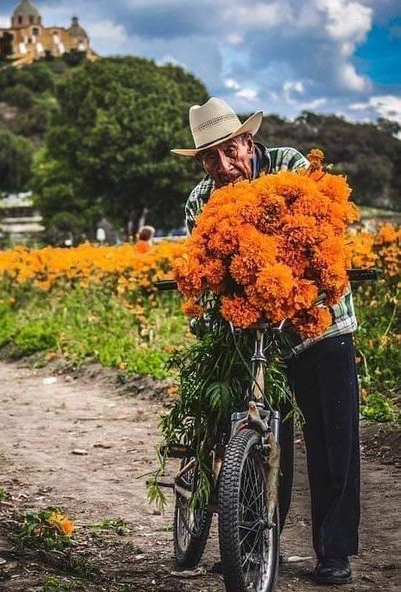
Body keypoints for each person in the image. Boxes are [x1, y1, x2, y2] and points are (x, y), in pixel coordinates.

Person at [171, 97, 359, 585]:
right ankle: (251, 535)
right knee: (259, 434)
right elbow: (204, 269)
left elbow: (321, 235)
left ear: (248, 142)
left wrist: (293, 290)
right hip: (253, 337)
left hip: (321, 321)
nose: (222, 165)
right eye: (209, 157)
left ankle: (334, 551)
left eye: (228, 150)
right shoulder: (200, 200)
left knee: (332, 439)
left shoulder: (290, 167)